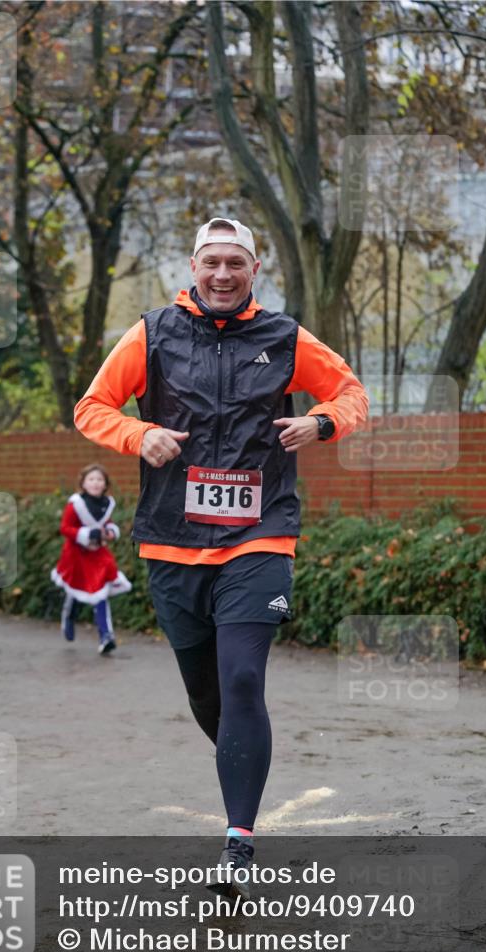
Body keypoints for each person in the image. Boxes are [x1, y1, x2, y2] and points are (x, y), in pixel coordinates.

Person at [74, 217, 369, 895]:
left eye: (235, 262)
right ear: (192, 266)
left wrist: (320, 422)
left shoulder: (284, 336)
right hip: (171, 539)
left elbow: (350, 392)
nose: (222, 274)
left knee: (240, 682)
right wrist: (137, 433)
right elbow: (92, 407)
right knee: (206, 693)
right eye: (211, 262)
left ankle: (238, 841)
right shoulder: (151, 332)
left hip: (259, 534)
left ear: (253, 270)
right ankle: (243, 758)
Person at [51, 463, 131, 655]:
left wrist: (111, 532)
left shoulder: (107, 504)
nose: (96, 483)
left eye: (99, 480)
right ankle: (69, 616)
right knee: (77, 589)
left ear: (105, 484)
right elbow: (65, 528)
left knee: (101, 592)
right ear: (83, 483)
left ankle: (106, 636)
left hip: (98, 555)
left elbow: (108, 523)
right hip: (76, 555)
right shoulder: (75, 504)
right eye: (91, 479)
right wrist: (88, 533)